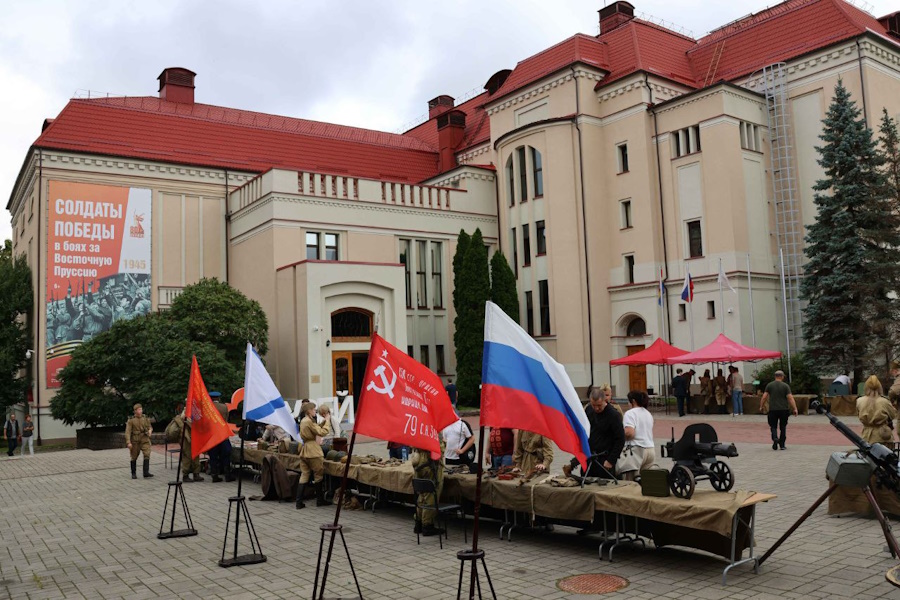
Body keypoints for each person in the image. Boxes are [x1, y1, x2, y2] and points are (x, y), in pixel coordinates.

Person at [563, 387, 625, 478]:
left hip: (604, 459)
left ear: (604, 401)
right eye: (593, 405)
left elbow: (620, 439)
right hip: (589, 457)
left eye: (599, 405)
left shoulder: (614, 415)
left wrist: (611, 460)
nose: (596, 408)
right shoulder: (589, 410)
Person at [296, 401, 331, 509]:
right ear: (309, 411)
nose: (315, 411)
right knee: (318, 475)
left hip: (304, 449)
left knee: (304, 474)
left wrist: (323, 422)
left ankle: (299, 501)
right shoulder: (309, 421)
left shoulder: (304, 421)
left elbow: (315, 429)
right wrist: (328, 421)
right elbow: (322, 432)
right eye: (314, 409)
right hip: (313, 451)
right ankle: (320, 500)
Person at [616, 391, 655, 481]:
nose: (628, 404)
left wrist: (619, 436)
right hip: (650, 449)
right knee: (647, 481)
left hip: (636, 450)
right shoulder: (647, 413)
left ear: (633, 401)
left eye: (628, 401)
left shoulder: (630, 413)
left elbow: (630, 433)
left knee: (630, 481)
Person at [411, 442, 444, 537]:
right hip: (429, 464)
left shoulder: (418, 428)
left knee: (422, 495)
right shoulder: (433, 431)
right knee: (430, 497)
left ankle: (419, 523)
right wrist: (444, 443)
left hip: (420, 463)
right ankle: (427, 525)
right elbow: (439, 449)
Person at [760, 370, 798, 450]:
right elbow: (790, 398)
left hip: (773, 409)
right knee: (783, 427)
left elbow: (764, 397)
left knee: (773, 426)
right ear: (782, 376)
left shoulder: (769, 385)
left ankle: (775, 438)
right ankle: (782, 444)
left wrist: (761, 406)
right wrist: (795, 408)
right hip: (784, 409)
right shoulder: (785, 386)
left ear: (775, 376)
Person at [856, 375, 897, 444]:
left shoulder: (859, 400)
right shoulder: (884, 401)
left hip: (866, 436)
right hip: (883, 436)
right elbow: (892, 415)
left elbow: (858, 414)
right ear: (879, 387)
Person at [208, 393, 234, 483]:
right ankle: (228, 475)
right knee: (226, 455)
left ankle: (214, 475)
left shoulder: (207, 407)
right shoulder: (224, 407)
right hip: (222, 434)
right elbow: (226, 420)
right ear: (218, 398)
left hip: (212, 436)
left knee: (213, 456)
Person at [125, 403, 154, 479]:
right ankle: (133, 473)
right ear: (135, 411)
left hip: (144, 439)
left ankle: (146, 472)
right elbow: (127, 432)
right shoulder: (131, 420)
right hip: (135, 441)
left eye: (141, 409)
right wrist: (128, 442)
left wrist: (150, 430)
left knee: (147, 453)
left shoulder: (145, 418)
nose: (140, 411)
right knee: (134, 457)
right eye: (139, 409)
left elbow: (149, 426)